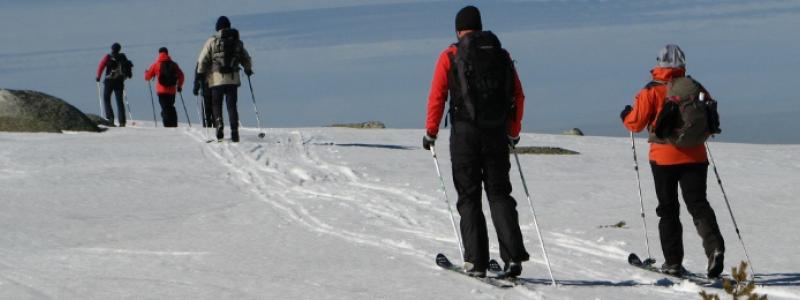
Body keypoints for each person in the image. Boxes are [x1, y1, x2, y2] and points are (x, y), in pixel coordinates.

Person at [423, 5, 529, 278]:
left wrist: (431, 132)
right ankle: (513, 258)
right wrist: (513, 131)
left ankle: (476, 261)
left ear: (458, 30)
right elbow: (518, 95)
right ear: (480, 27)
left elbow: (437, 95)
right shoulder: (501, 55)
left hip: (465, 136)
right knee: (499, 194)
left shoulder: (450, 55)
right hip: (496, 134)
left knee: (469, 197)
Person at [621, 44, 725, 278]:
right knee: (698, 204)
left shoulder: (651, 91)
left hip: (663, 158)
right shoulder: (696, 88)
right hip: (696, 155)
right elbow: (708, 119)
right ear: (682, 64)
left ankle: (673, 262)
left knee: (668, 210)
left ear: (659, 64)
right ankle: (715, 248)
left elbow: (634, 124)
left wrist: (625, 114)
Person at [196, 16, 253, 142]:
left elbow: (203, 59)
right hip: (232, 79)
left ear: (218, 27)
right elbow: (246, 58)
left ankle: (219, 125)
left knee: (216, 104)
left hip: (216, 79)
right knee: (232, 105)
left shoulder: (212, 41)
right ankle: (234, 130)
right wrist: (248, 69)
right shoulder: (237, 42)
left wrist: (200, 73)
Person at [144, 47, 185, 127]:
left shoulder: (156, 64)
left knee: (165, 108)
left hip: (161, 91)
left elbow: (147, 77)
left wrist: (146, 73)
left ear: (159, 53)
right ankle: (174, 124)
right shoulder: (173, 64)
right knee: (171, 106)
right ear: (167, 53)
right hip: (172, 91)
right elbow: (181, 76)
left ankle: (167, 125)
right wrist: (179, 86)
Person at [95, 42, 133, 126]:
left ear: (112, 49)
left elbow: (101, 66)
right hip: (119, 81)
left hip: (109, 81)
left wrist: (98, 77)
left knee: (106, 98)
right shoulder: (123, 57)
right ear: (119, 49)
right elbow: (127, 67)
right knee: (119, 101)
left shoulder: (108, 57)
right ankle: (122, 121)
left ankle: (110, 119)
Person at [193, 63, 213, 127]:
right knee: (216, 111)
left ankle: (207, 127)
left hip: (205, 90)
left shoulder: (201, 62)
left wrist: (196, 89)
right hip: (216, 90)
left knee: (206, 112)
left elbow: (197, 76)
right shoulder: (216, 59)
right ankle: (217, 128)